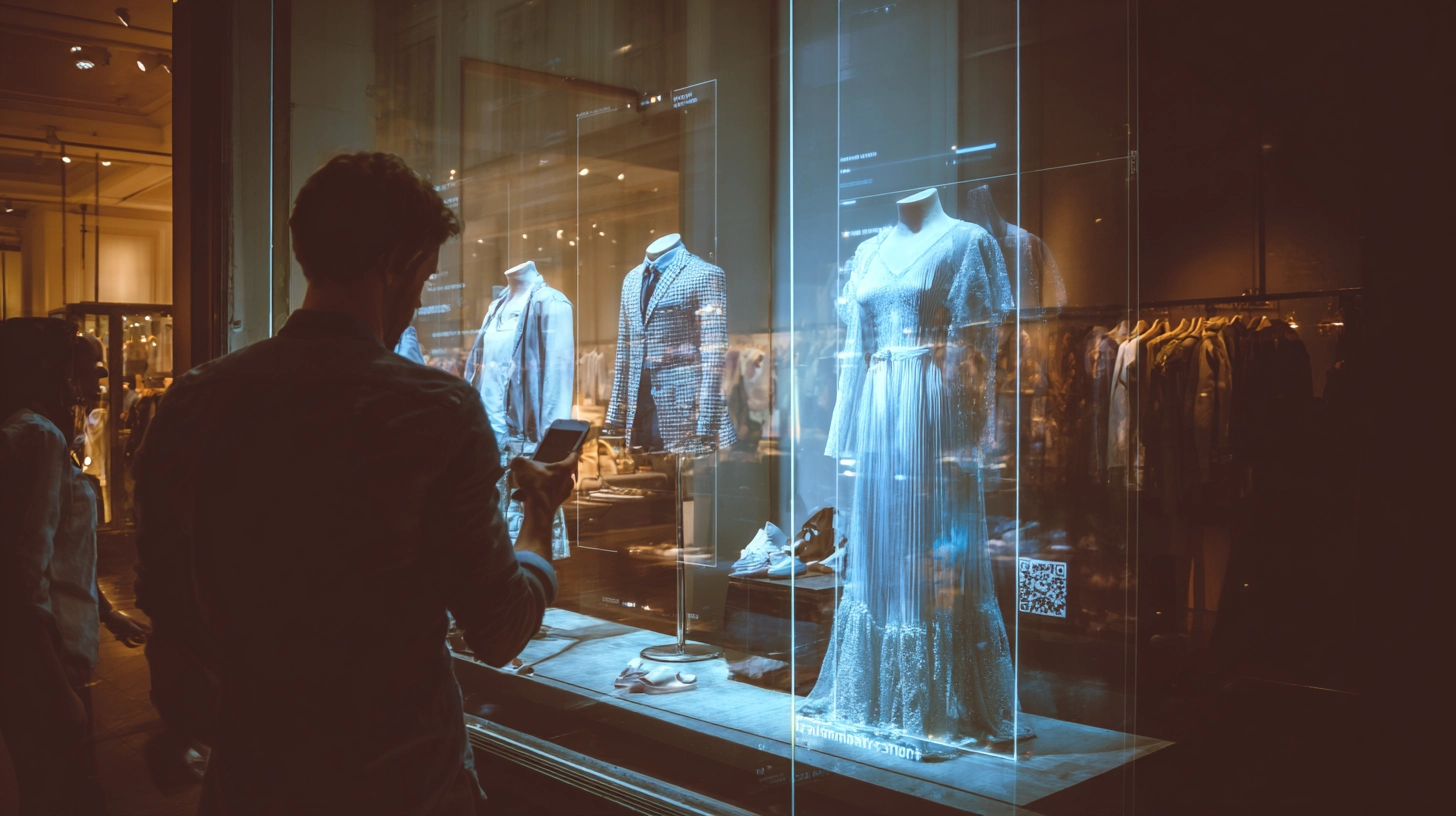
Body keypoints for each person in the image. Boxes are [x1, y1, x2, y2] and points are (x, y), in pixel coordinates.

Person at [134, 152, 578, 815]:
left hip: (252, 779)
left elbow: (167, 604)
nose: (421, 296)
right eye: (424, 275)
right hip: (402, 782)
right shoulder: (436, 411)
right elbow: (501, 627)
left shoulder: (196, 399)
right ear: (397, 263)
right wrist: (539, 514)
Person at [0, 318, 114, 813]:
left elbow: (53, 554)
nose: (96, 379)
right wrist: (56, 688)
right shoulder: (39, 436)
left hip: (44, 653)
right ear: (52, 367)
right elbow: (24, 574)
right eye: (86, 367)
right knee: (61, 791)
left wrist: (107, 611)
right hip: (48, 657)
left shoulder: (27, 429)